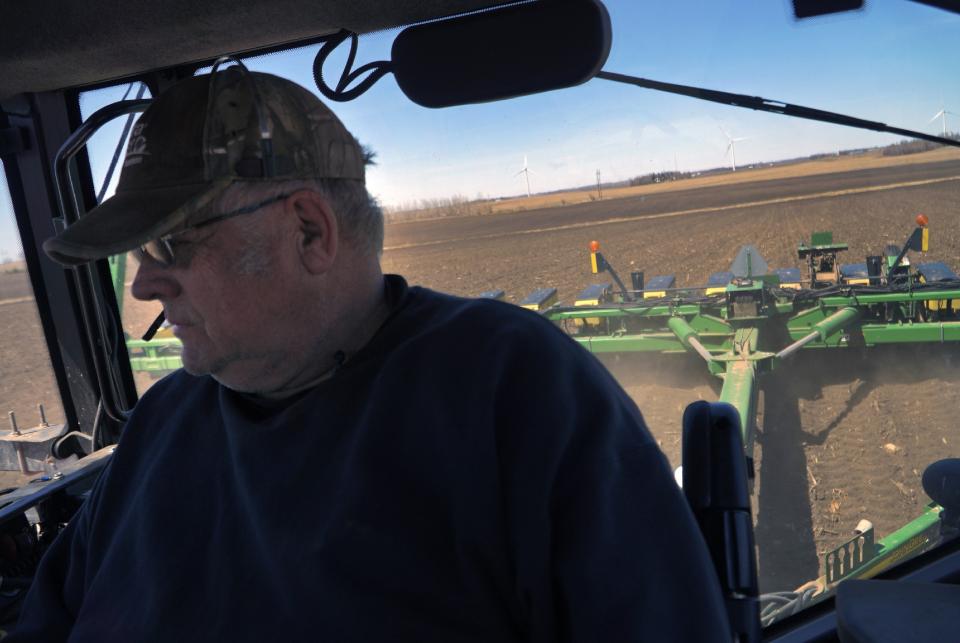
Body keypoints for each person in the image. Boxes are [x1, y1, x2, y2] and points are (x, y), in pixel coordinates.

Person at [10, 66, 730, 641]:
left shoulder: (517, 393)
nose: (142, 282)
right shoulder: (160, 425)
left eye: (171, 244)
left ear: (309, 232)